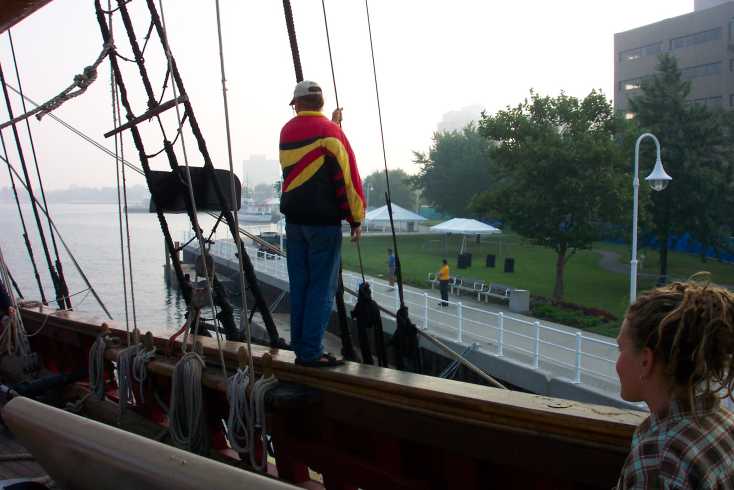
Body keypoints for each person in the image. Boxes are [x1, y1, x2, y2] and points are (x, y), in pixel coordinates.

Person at [615, 279, 734, 489]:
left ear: (645, 361)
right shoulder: (724, 425)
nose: (617, 362)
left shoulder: (659, 459)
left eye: (620, 349)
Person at [279, 80, 365, 368]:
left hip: (294, 223)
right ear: (322, 104)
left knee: (300, 285)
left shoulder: (287, 131)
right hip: (323, 225)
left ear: (297, 104)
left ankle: (302, 346)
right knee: (321, 288)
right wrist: (356, 219)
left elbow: (310, 157)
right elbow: (348, 178)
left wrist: (334, 127)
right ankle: (311, 352)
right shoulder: (332, 134)